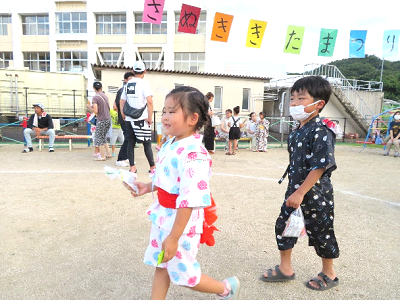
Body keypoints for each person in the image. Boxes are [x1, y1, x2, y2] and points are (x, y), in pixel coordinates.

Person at [133, 86, 240, 300]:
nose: (164, 117)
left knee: (184, 276)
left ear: (193, 118)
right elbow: (167, 178)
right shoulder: (171, 143)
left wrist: (174, 237)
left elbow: (190, 199)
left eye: (172, 112)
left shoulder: (195, 155)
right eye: (164, 111)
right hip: (164, 216)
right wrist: (148, 187)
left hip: (182, 224)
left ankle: (226, 289)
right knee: (161, 264)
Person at [261, 76, 339, 291]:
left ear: (319, 103)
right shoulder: (297, 130)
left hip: (315, 194)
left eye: (301, 98)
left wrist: (300, 193)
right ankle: (285, 269)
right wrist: (294, 192)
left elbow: (320, 166)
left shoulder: (321, 130)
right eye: (292, 98)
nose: (294, 103)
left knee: (321, 231)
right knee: (283, 227)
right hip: (295, 190)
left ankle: (329, 273)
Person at [120, 61, 155, 174]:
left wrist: (123, 114)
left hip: (130, 118)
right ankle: (152, 167)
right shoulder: (145, 84)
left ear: (133, 71)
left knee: (131, 142)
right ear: (144, 71)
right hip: (142, 118)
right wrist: (150, 117)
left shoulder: (128, 84)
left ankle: (132, 167)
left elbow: (122, 101)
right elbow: (149, 101)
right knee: (147, 143)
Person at [115, 72, 134, 167]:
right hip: (124, 118)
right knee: (128, 138)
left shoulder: (132, 90)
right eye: (130, 78)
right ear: (125, 80)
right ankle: (120, 158)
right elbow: (117, 105)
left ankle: (127, 157)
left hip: (130, 118)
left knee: (131, 138)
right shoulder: (122, 90)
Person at [91, 82, 112, 161]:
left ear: (94, 88)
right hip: (108, 119)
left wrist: (90, 107)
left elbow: (95, 111)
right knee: (104, 137)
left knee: (99, 138)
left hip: (101, 119)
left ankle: (102, 156)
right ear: (101, 87)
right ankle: (108, 154)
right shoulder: (105, 96)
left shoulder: (95, 97)